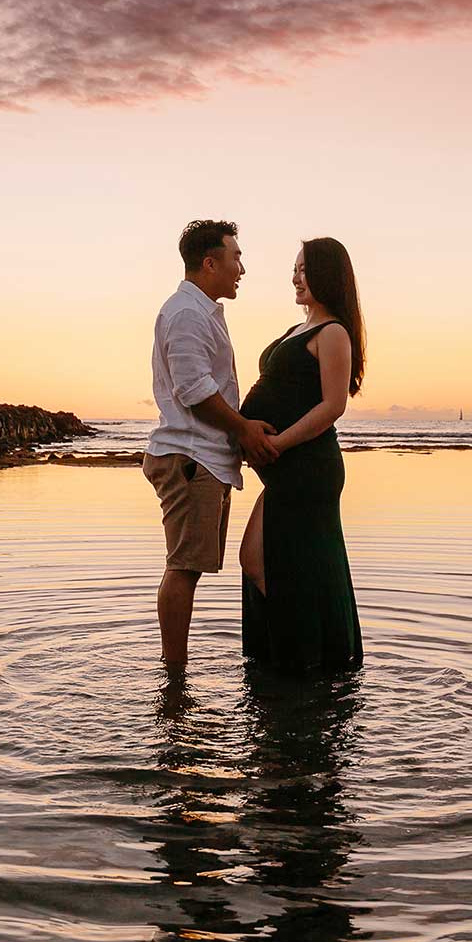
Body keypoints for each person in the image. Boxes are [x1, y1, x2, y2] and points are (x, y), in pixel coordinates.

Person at [145, 220, 281, 668]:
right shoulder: (186, 313)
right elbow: (194, 389)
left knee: (187, 566)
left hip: (201, 456)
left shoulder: (199, 311)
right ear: (209, 263)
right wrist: (242, 429)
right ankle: (174, 675)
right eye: (235, 257)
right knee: (183, 566)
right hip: (190, 457)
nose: (241, 267)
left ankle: (174, 669)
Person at [238, 237, 365, 672]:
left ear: (327, 275)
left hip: (308, 468)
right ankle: (298, 653)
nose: (295, 277)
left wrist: (278, 442)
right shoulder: (297, 330)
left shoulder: (333, 332)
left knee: (261, 558)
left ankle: (308, 656)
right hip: (286, 468)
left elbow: (333, 406)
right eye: (294, 269)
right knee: (279, 560)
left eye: (304, 269)